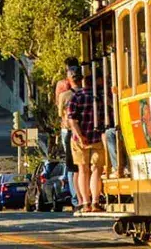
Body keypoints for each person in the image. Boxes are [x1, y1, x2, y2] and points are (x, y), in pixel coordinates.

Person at [68, 73, 104, 213]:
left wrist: (79, 135)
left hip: (80, 140)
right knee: (97, 169)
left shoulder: (76, 97)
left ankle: (85, 203)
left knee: (83, 170)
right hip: (97, 138)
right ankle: (95, 201)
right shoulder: (100, 97)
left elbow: (72, 120)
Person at [58, 65, 83, 210]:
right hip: (86, 129)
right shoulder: (88, 93)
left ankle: (77, 199)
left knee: (73, 168)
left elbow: (60, 113)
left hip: (69, 131)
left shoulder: (64, 95)